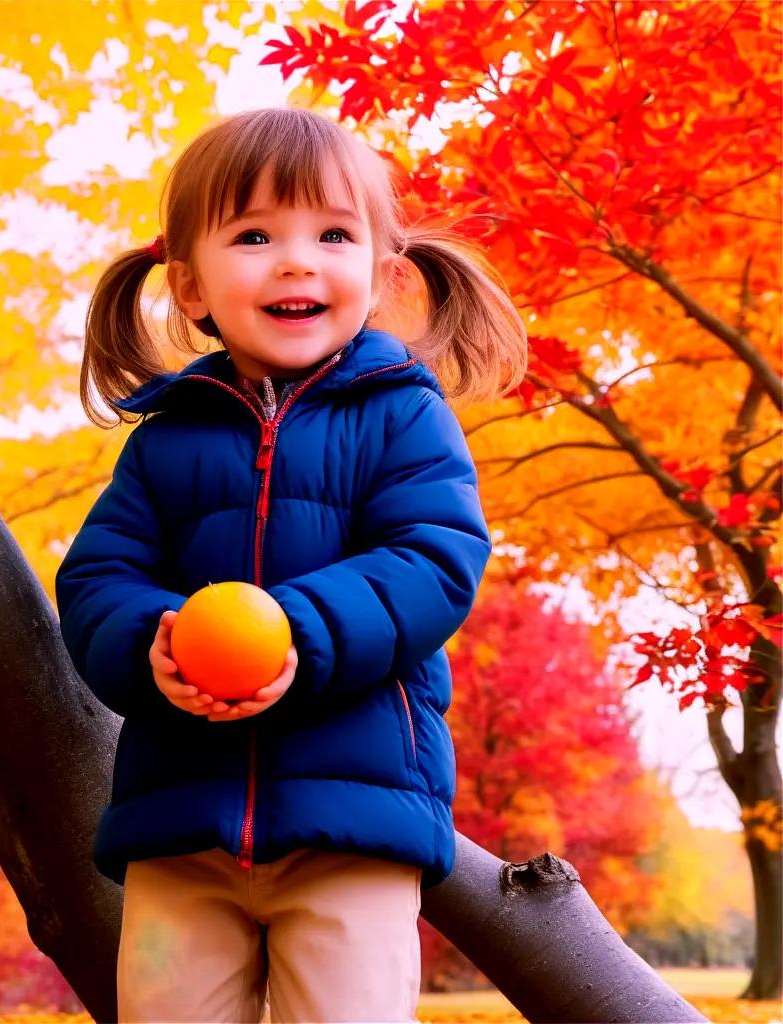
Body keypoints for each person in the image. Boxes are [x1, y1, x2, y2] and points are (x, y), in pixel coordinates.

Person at [55, 106, 527, 1024]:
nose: (297, 259)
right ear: (189, 286)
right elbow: (96, 580)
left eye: (333, 234)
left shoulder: (400, 415)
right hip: (180, 825)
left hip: (354, 827)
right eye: (256, 235)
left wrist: (295, 635)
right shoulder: (165, 441)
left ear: (384, 275)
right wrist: (153, 643)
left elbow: (433, 559)